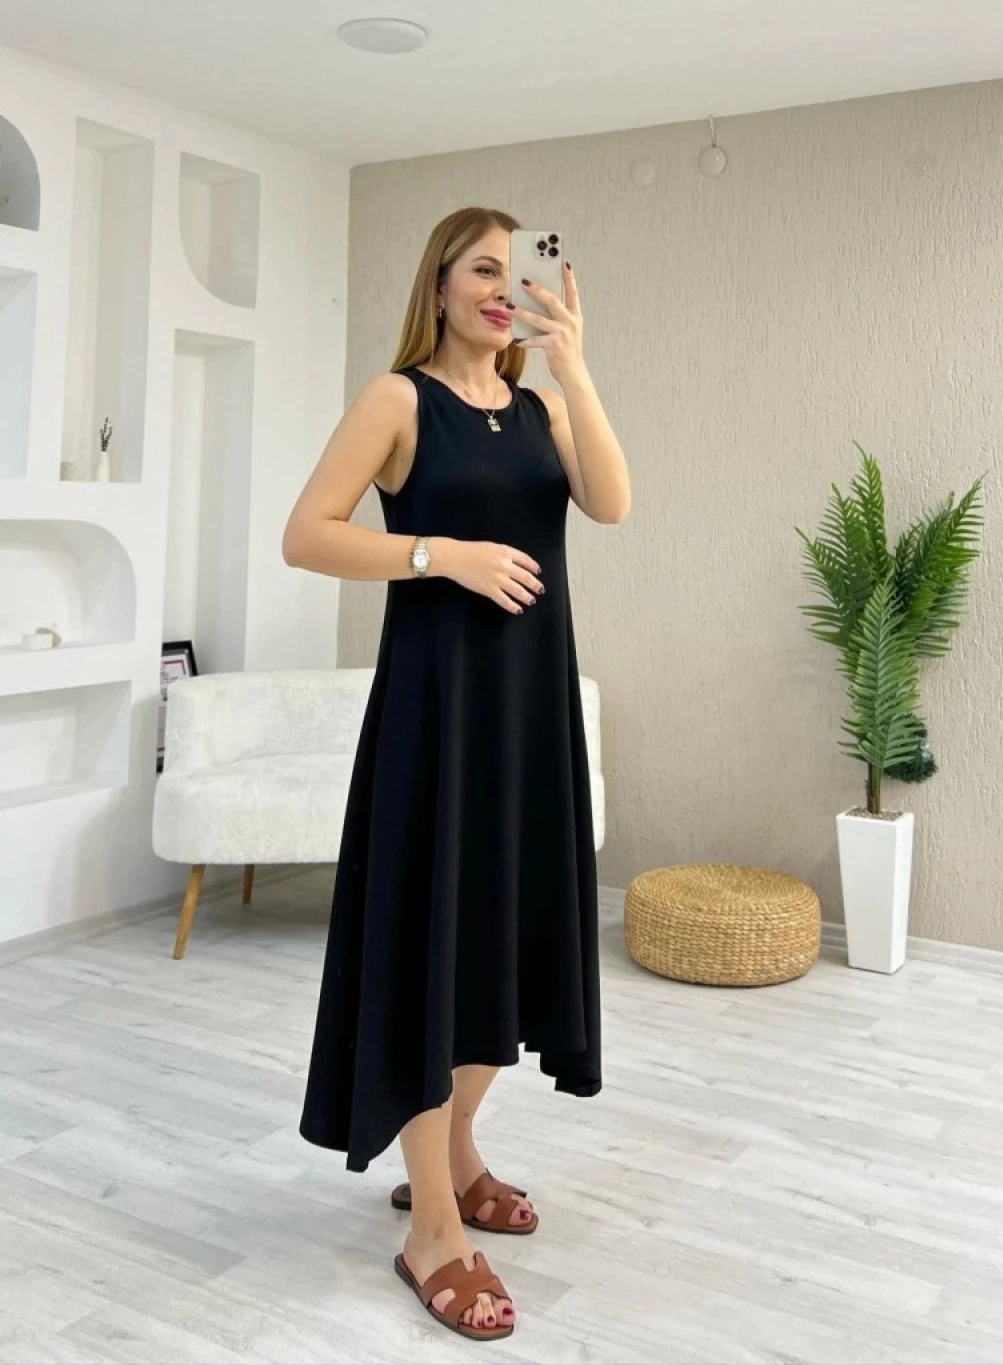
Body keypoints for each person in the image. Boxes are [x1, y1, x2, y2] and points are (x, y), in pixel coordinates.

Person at [282, 206, 630, 1341]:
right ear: (437, 286)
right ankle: (432, 1225)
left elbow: (612, 501)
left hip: (528, 716)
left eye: (515, 273)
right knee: (435, 951)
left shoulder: (539, 408)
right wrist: (443, 557)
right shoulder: (398, 401)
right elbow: (307, 534)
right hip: (437, 716)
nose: (500, 290)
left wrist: (575, 368)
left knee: (506, 945)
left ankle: (460, 1150)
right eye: (482, 269)